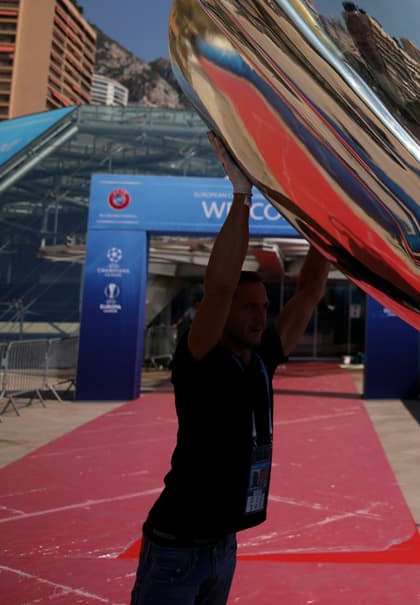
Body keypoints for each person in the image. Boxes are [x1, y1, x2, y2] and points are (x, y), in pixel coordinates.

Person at [131, 132, 332, 605]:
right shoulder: (201, 360)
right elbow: (219, 288)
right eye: (249, 308)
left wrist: (327, 228)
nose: (260, 315)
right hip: (176, 549)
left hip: (224, 547)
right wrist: (241, 196)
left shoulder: (260, 360)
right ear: (222, 316)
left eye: (263, 306)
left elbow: (306, 295)